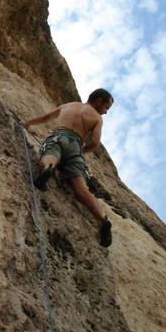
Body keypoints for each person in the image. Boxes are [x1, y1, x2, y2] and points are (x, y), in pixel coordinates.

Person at [24, 88, 114, 247]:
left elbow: (46, 117)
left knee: (51, 155)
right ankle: (103, 219)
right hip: (76, 146)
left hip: (60, 135)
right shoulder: (97, 118)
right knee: (81, 190)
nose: (106, 112)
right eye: (106, 107)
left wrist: (29, 123)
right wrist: (81, 151)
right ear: (99, 100)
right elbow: (94, 143)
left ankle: (48, 168)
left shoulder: (68, 105)